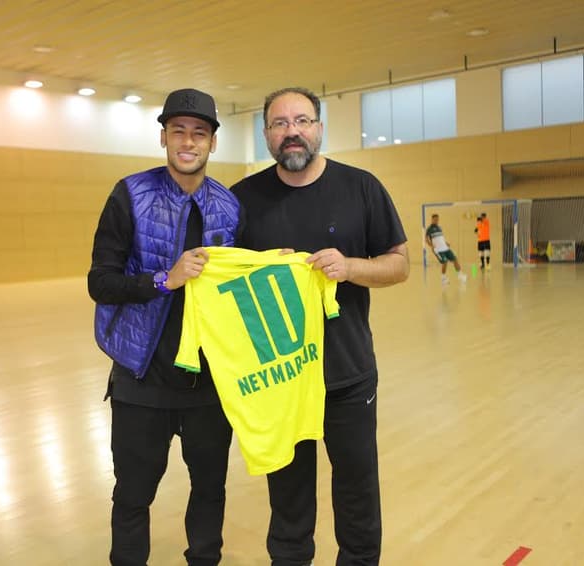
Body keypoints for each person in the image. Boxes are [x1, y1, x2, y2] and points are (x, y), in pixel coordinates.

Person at [230, 86, 409, 566]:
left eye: (302, 121)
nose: (292, 132)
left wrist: (351, 267)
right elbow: (217, 274)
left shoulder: (361, 187)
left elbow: (399, 265)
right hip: (281, 378)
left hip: (348, 375)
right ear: (266, 134)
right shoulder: (242, 201)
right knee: (287, 500)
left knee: (356, 493)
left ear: (320, 128)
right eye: (280, 123)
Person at [88, 88, 240, 566]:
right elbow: (101, 282)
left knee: (210, 491)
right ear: (163, 137)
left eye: (199, 133)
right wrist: (164, 279)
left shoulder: (230, 207)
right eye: (179, 131)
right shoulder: (129, 193)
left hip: (208, 382)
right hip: (141, 379)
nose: (188, 142)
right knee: (133, 495)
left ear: (213, 142)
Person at [425, 213, 468, 285]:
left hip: (445, 248)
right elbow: (426, 239)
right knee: (445, 262)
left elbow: (440, 238)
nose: (436, 221)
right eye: (435, 219)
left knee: (455, 259)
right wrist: (431, 245)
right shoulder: (429, 229)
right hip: (438, 250)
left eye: (437, 220)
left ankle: (460, 275)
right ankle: (443, 279)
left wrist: (446, 242)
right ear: (432, 220)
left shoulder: (439, 227)